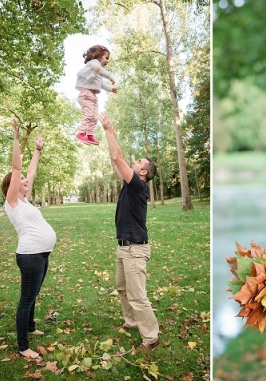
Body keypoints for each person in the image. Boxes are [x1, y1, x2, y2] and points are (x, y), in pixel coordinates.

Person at [99, 111, 159, 353]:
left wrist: (107, 131)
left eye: (138, 163)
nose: (134, 162)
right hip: (125, 247)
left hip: (135, 249)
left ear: (143, 172)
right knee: (122, 288)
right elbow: (116, 160)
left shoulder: (137, 185)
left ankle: (151, 337)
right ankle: (131, 321)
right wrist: (111, 134)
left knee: (137, 296)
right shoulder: (129, 183)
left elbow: (118, 157)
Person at [0, 119, 56, 360]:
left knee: (32, 296)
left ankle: (31, 327)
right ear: (11, 187)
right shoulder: (12, 202)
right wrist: (15, 139)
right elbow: (18, 170)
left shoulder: (24, 200)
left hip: (41, 255)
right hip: (30, 256)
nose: (26, 181)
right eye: (21, 182)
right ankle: (23, 347)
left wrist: (37, 150)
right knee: (26, 300)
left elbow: (30, 172)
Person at [75, 44, 118, 146]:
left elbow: (101, 85)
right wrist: (110, 76)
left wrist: (111, 89)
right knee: (89, 115)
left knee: (94, 117)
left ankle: (89, 135)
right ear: (98, 56)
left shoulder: (98, 73)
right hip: (86, 94)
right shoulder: (93, 63)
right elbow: (98, 69)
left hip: (93, 97)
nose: (107, 61)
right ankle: (81, 133)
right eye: (106, 58)